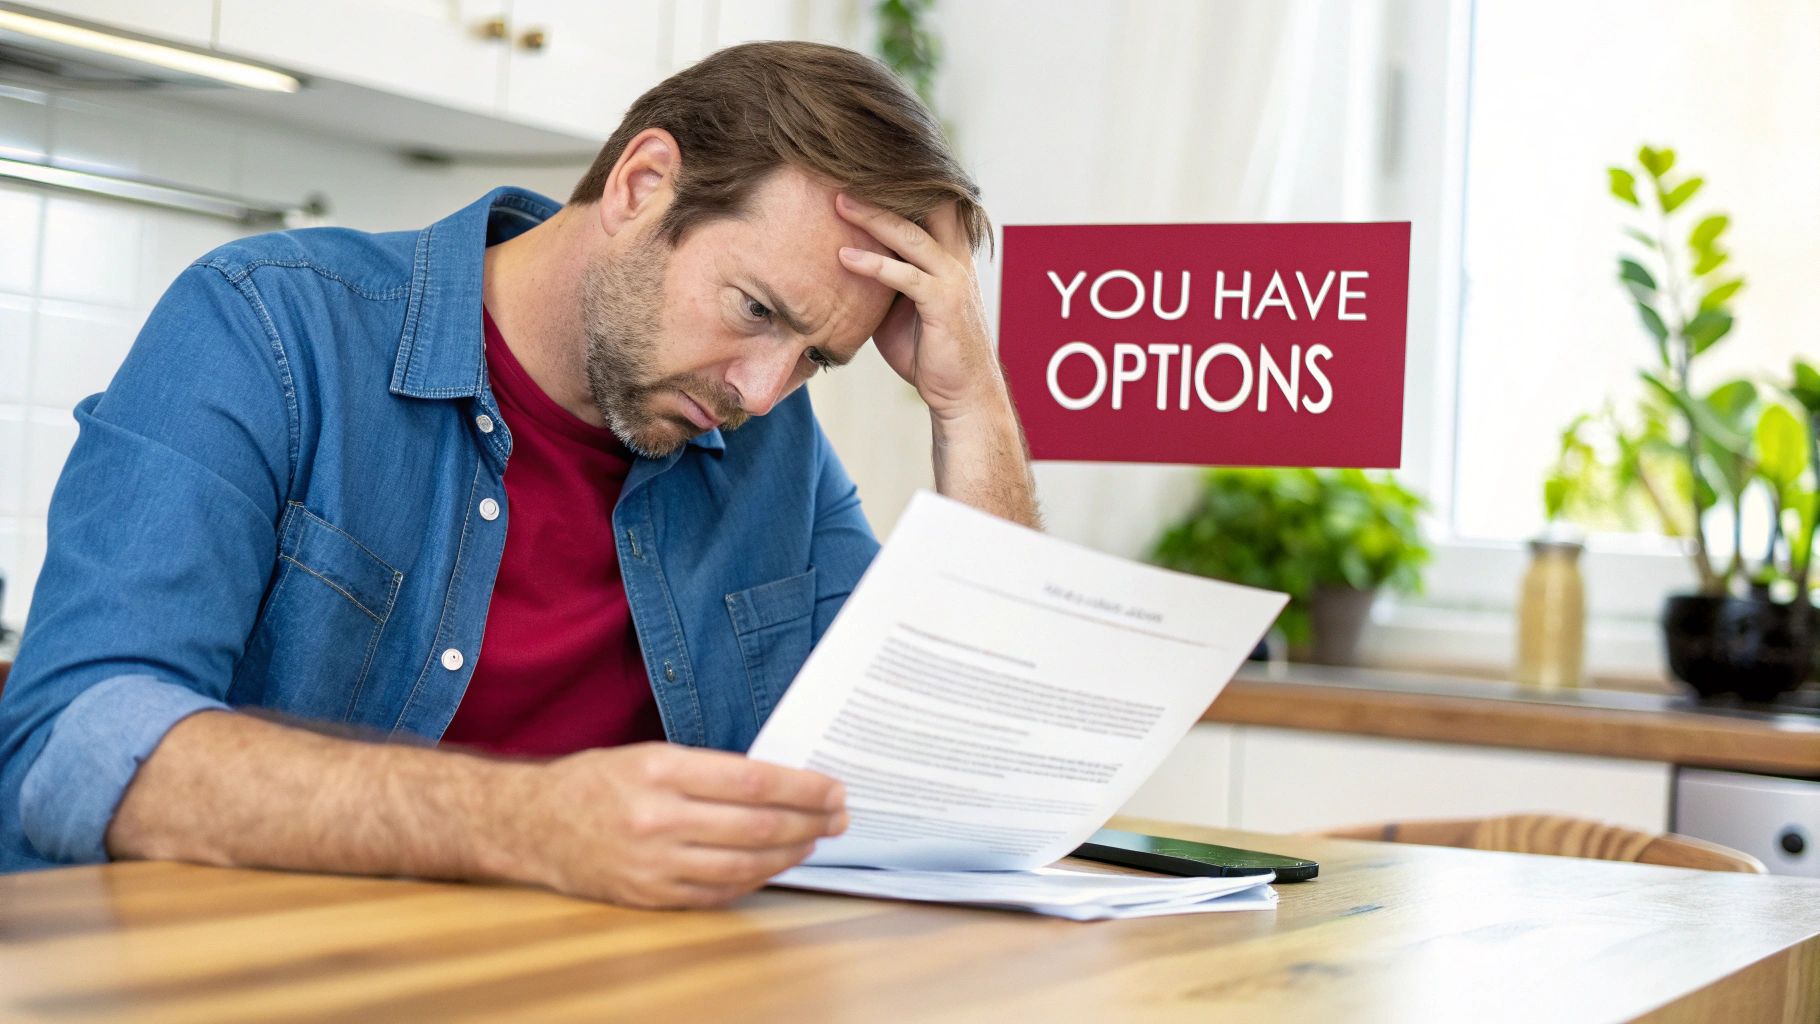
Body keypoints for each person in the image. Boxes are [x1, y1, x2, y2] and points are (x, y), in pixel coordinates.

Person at [0, 41, 1039, 909]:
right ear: (641, 188)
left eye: (815, 356)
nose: (764, 389)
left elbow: (958, 755)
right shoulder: (271, 323)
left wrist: (971, 401)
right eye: (755, 312)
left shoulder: (769, 439)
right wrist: (531, 824)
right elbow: (71, 742)